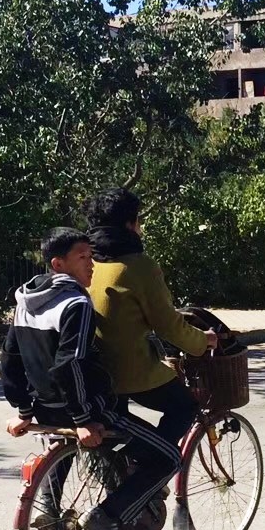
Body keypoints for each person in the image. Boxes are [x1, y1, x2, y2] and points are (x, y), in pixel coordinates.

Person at [0, 227, 187, 530]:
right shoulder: (76, 304)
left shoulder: (25, 301)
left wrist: (23, 411)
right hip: (86, 410)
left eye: (91, 256)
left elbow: (9, 360)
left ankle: (49, 506)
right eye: (82, 258)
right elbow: (70, 364)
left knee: (80, 445)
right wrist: (84, 418)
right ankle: (107, 514)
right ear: (58, 265)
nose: (92, 265)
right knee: (169, 457)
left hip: (45, 408)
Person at [85, 188, 219, 451]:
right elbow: (168, 325)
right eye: (139, 222)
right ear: (129, 224)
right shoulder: (139, 267)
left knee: (117, 427)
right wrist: (202, 341)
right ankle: (148, 466)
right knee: (185, 406)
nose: (141, 229)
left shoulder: (84, 261)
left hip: (90, 369)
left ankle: (120, 472)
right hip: (125, 371)